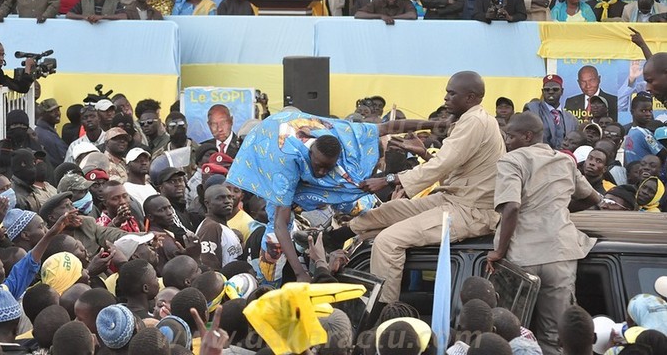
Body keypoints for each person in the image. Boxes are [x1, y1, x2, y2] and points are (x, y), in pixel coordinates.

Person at [325, 72, 504, 303]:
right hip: (455, 201)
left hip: (472, 211)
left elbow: (443, 164)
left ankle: (383, 312)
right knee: (387, 212)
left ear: (470, 98)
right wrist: (423, 153)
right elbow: (451, 170)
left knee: (387, 242)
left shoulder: (475, 121)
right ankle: (337, 236)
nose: (445, 98)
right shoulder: (470, 120)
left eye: (451, 93)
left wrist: (389, 179)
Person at [228, 109, 438, 285]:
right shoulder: (284, 162)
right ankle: (268, 288)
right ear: (310, 154)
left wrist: (435, 124)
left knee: (367, 206)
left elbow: (389, 127)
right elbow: (281, 225)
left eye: (326, 168)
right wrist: (301, 273)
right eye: (318, 166)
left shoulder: (345, 137)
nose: (320, 172)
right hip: (276, 166)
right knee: (274, 241)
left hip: (324, 184)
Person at [486, 112, 601, 355]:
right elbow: (592, 197)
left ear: (527, 136)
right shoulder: (565, 160)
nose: (507, 141)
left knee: (512, 332)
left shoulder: (512, 160)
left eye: (510, 136)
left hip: (522, 257)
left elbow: (512, 206)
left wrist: (498, 251)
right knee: (554, 334)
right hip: (561, 253)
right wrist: (559, 210)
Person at [524, 75, 579, 150]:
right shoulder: (532, 109)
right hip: (539, 157)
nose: (551, 92)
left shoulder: (572, 120)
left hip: (563, 159)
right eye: (547, 90)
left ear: (562, 91)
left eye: (555, 89)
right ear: (542, 92)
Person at [195, 185, 242, 270]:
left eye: (229, 197)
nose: (228, 201)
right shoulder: (211, 228)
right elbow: (208, 267)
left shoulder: (221, 226)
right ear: (207, 203)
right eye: (220, 198)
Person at [624, 92, 666, 164]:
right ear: (632, 112)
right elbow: (663, 154)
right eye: (643, 111)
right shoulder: (645, 135)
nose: (648, 114)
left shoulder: (631, 131)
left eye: (650, 111)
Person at [35, 98, 67, 167]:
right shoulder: (46, 135)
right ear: (42, 114)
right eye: (52, 111)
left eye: (58, 110)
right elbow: (63, 158)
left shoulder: (44, 130)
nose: (57, 113)